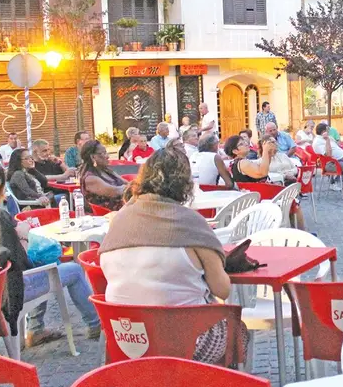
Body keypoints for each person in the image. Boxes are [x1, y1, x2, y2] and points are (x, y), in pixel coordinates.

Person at [99, 148, 244, 364]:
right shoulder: (191, 223)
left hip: (128, 342)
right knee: (238, 331)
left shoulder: (118, 220)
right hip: (185, 342)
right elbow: (222, 289)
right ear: (185, 183)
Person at [0, 161, 100, 347]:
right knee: (71, 269)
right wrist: (23, 239)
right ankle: (96, 324)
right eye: (2, 187)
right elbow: (17, 262)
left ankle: (36, 329)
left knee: (44, 264)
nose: (4, 193)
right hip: (5, 293)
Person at [79, 140, 129, 212]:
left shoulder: (106, 171)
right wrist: (133, 186)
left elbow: (127, 183)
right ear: (93, 157)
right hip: (107, 216)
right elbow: (115, 191)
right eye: (104, 153)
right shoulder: (90, 178)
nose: (108, 156)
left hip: (123, 210)